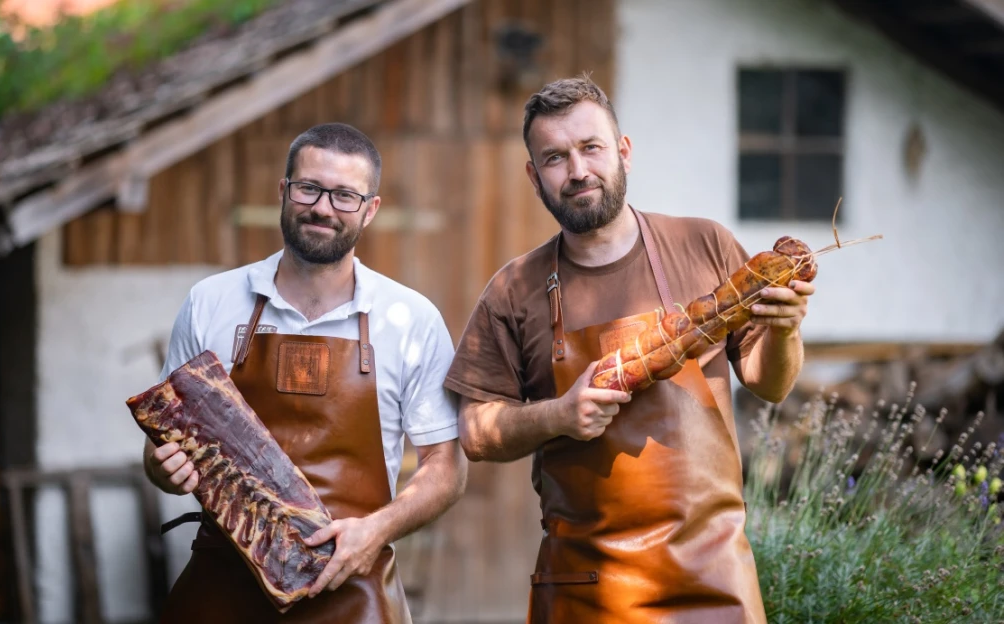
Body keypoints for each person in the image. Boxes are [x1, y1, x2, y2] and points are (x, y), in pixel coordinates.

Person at [444, 76, 814, 623]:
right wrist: (559, 415)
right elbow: (477, 434)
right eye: (554, 157)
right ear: (533, 175)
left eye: (591, 147)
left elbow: (770, 383)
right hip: (586, 587)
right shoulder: (513, 290)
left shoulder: (705, 244)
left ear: (623, 152)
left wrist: (784, 330)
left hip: (713, 579)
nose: (577, 171)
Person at [143, 122, 466, 623]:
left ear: (370, 209)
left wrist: (376, 531)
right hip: (220, 589)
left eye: (344, 196)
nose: (322, 208)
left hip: (352, 588)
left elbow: (446, 468)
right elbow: (160, 448)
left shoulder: (411, 319)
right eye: (309, 188)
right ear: (284, 190)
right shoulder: (212, 302)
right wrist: (162, 469)